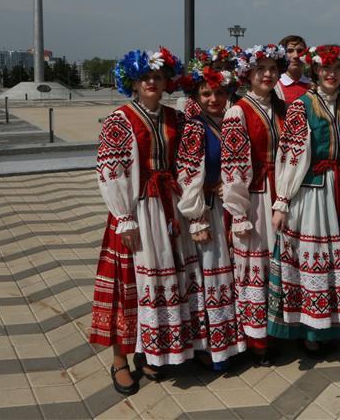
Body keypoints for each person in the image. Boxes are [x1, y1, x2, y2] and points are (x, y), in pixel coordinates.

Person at [90, 47, 195, 395]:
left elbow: (186, 160)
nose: (152, 82)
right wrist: (124, 217)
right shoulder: (120, 120)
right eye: (145, 77)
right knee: (128, 285)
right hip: (135, 210)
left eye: (158, 77)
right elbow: (111, 173)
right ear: (133, 82)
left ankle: (150, 349)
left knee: (164, 282)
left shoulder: (174, 117)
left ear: (167, 83)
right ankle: (119, 359)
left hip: (168, 206)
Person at [270, 45, 340, 356]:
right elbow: (290, 157)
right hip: (311, 191)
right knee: (314, 258)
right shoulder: (302, 106)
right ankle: (311, 329)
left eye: (337, 69)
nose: (331, 74)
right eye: (326, 68)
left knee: (337, 257)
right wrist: (283, 199)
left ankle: (334, 324)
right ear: (315, 71)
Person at [175, 46, 246, 370]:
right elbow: (188, 175)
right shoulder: (194, 126)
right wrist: (197, 217)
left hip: (231, 206)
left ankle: (232, 341)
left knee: (231, 274)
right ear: (197, 95)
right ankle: (210, 347)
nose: (213, 99)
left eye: (218, 92)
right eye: (206, 93)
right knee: (208, 274)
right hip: (207, 211)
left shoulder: (233, 119)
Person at [220, 44, 288, 366]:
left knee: (281, 263)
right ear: (248, 73)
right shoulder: (238, 111)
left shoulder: (283, 106)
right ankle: (258, 338)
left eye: (273, 69)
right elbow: (233, 166)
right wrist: (238, 212)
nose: (267, 74)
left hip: (283, 192)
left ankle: (280, 329)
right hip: (257, 196)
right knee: (257, 266)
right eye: (261, 68)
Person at [275, 35, 310, 104]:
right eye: (290, 51)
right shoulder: (274, 86)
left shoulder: (314, 86)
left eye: (300, 51)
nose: (296, 56)